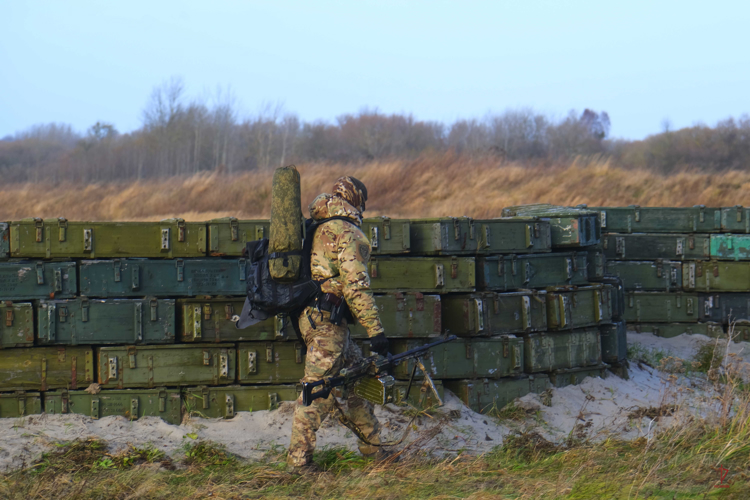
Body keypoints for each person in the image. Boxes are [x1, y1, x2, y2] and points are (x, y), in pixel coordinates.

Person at [287, 176, 390, 470]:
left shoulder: (318, 226)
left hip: (316, 320)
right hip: (327, 325)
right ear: (356, 200)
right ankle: (298, 463)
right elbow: (355, 285)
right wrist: (376, 332)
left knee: (358, 382)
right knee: (316, 392)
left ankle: (375, 453)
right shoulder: (347, 232)